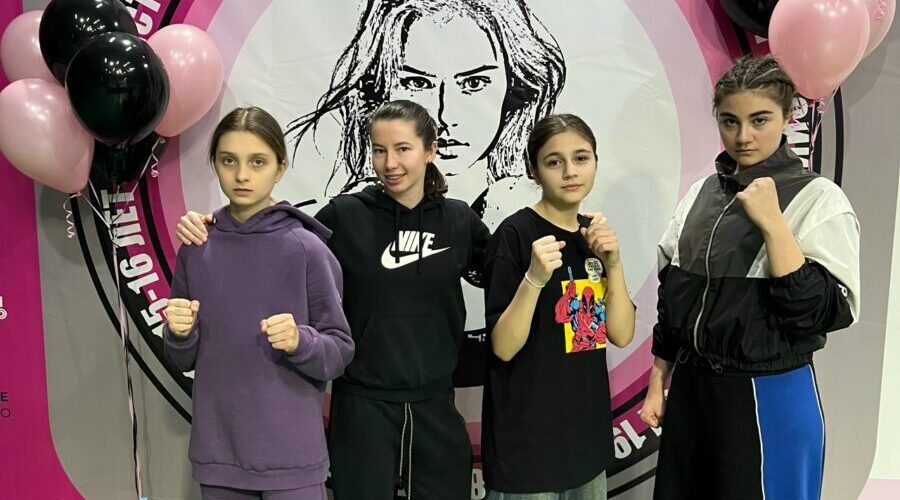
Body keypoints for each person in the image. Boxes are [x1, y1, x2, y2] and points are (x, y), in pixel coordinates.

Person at [175, 100, 491, 500]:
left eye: (403, 149)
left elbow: (507, 273)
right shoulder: (345, 215)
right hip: (360, 405)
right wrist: (213, 225)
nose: (390, 163)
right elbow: (272, 236)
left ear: (430, 150)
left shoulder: (459, 221)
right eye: (379, 150)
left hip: (436, 403)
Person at [640, 55, 860, 500]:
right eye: (730, 121)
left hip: (769, 395)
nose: (743, 136)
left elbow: (819, 314)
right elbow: (673, 303)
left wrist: (774, 225)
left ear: (788, 116)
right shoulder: (700, 195)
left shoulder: (819, 199)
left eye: (759, 120)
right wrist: (657, 383)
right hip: (692, 394)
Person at [163, 107, 354, 500]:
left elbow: (339, 352)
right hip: (219, 457)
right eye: (228, 160)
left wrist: (301, 341)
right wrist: (179, 334)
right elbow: (181, 359)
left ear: (280, 168)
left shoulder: (307, 249)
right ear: (214, 164)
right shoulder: (196, 247)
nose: (242, 175)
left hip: (293, 458)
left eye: (257, 162)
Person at [284, 0, 565, 214]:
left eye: (474, 83)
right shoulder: (343, 216)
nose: (445, 116)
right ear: (380, 90)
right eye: (417, 83)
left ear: (515, 87)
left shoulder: (533, 213)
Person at [481, 113, 636, 499]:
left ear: (596, 162)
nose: (570, 171)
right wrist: (534, 278)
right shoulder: (515, 235)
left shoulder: (593, 236)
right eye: (554, 161)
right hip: (527, 450)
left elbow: (620, 334)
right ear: (534, 169)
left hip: (586, 445)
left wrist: (614, 264)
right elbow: (503, 346)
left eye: (581, 158)